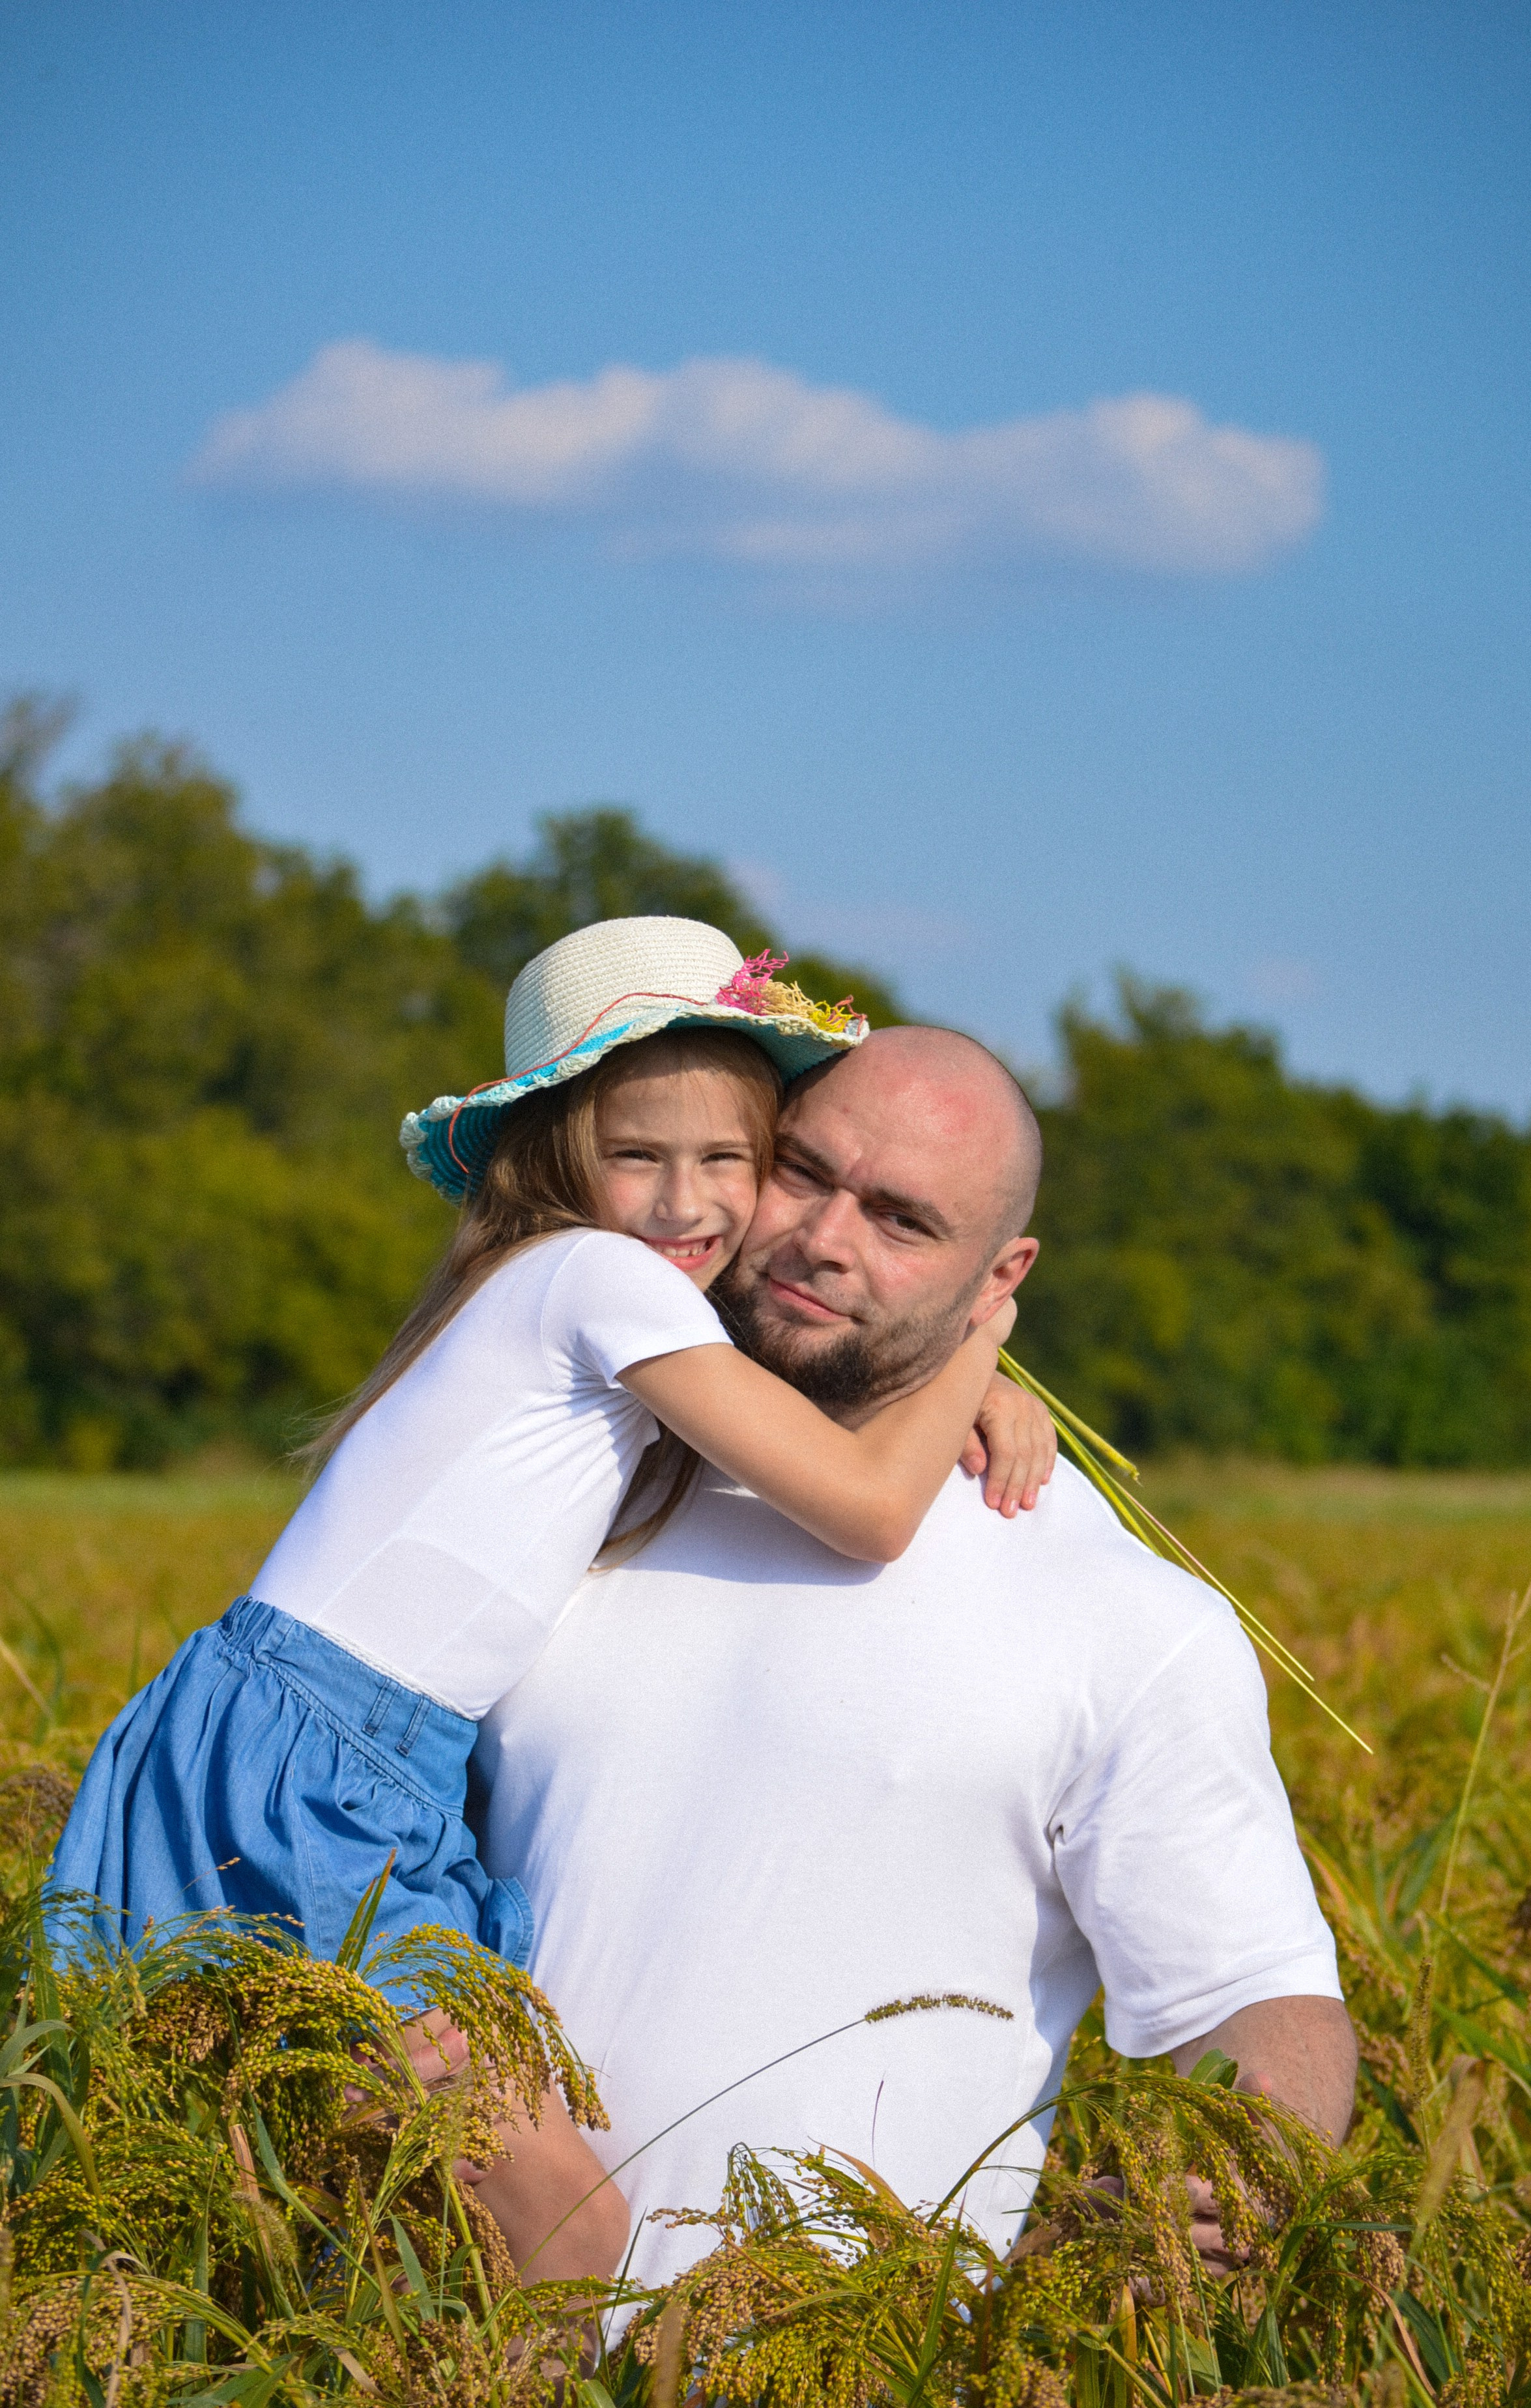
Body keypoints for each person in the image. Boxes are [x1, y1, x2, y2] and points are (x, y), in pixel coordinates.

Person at [48, 919, 1056, 2289]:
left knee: (379, 2229)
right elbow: (869, 1505)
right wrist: (986, 1337)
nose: (684, 1202)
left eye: (729, 1161)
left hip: (345, 1759)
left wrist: (954, 1386)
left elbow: (813, 1421)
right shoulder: (601, 1279)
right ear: (557, 1156)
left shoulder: (586, 1307)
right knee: (562, 2230)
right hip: (312, 1770)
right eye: (638, 1155)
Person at [474, 1022, 1356, 2295]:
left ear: (1001, 1278)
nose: (826, 1239)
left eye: (901, 1221)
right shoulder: (560, 1480)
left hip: (850, 2361)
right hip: (475, 2352)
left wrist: (1245, 2153)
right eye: (802, 1172)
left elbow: (1258, 1988)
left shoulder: (1114, 1613)